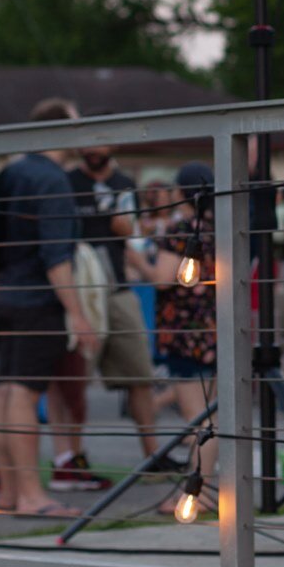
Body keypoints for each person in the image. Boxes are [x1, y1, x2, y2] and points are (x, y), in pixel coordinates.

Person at [49, 99, 175, 475]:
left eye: (100, 141)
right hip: (80, 289)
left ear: (113, 145)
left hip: (117, 287)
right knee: (72, 376)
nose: (92, 148)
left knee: (139, 372)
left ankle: (152, 454)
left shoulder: (125, 184)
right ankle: (71, 457)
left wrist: (149, 269)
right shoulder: (66, 182)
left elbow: (125, 236)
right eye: (87, 140)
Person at [0, 106, 100, 516]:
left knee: (4, 390)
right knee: (23, 393)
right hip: (38, 300)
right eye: (75, 123)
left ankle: (8, 491)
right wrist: (78, 313)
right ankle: (32, 497)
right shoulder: (52, 181)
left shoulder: (11, 173)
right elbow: (57, 258)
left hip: (5, 294)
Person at [154, 161, 219, 509]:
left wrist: (134, 262)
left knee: (199, 417)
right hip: (213, 330)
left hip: (182, 334)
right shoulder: (220, 228)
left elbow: (164, 277)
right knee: (212, 413)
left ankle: (198, 492)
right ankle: (201, 488)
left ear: (180, 193)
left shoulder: (180, 231)